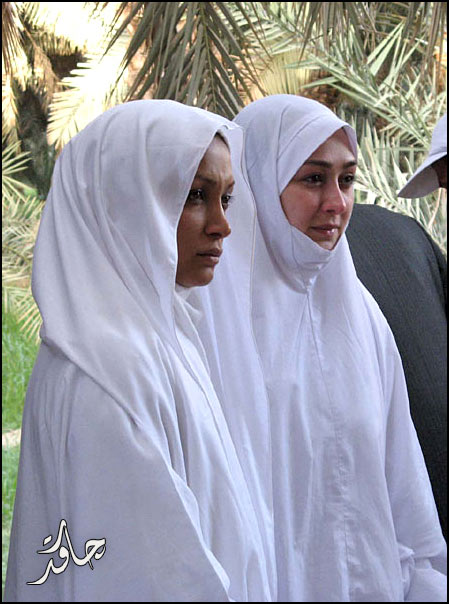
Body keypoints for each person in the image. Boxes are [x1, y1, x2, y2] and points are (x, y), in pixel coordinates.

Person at [4, 100, 276, 602]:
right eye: (194, 195)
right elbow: (152, 575)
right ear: (124, 201)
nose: (222, 225)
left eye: (226, 198)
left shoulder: (159, 337)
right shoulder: (107, 373)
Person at [223, 94, 446, 601]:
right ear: (256, 181)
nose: (337, 203)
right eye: (313, 179)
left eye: (346, 180)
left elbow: (403, 492)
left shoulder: (361, 318)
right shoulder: (215, 324)